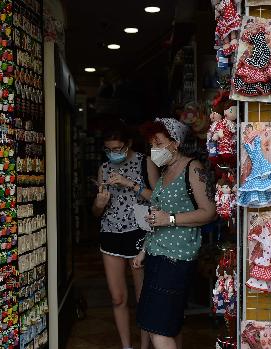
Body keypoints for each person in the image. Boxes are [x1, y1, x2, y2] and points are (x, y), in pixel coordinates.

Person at [133, 118, 217, 349]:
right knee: (166, 325)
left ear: (176, 142)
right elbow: (159, 213)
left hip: (176, 258)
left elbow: (209, 212)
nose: (154, 149)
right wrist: (144, 250)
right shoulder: (166, 170)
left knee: (157, 328)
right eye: (152, 144)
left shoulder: (193, 168)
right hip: (157, 254)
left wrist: (170, 219)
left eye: (159, 142)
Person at [92, 124, 158, 349]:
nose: (114, 153)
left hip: (139, 233)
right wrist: (99, 204)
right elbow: (96, 211)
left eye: (118, 148)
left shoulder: (144, 162)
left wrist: (130, 183)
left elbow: (158, 200)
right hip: (110, 233)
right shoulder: (103, 168)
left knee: (143, 299)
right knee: (117, 298)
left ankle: (144, 346)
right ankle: (126, 346)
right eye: (109, 149)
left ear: (128, 144)